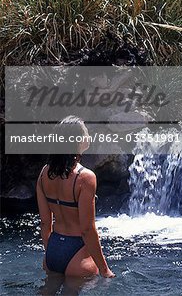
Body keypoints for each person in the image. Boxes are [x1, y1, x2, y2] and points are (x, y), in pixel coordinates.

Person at [36, 115, 115, 278]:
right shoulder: (85, 177)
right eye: (86, 132)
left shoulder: (44, 173)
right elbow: (87, 229)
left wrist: (51, 252)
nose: (88, 135)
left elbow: (45, 223)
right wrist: (104, 269)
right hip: (77, 255)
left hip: (53, 250)